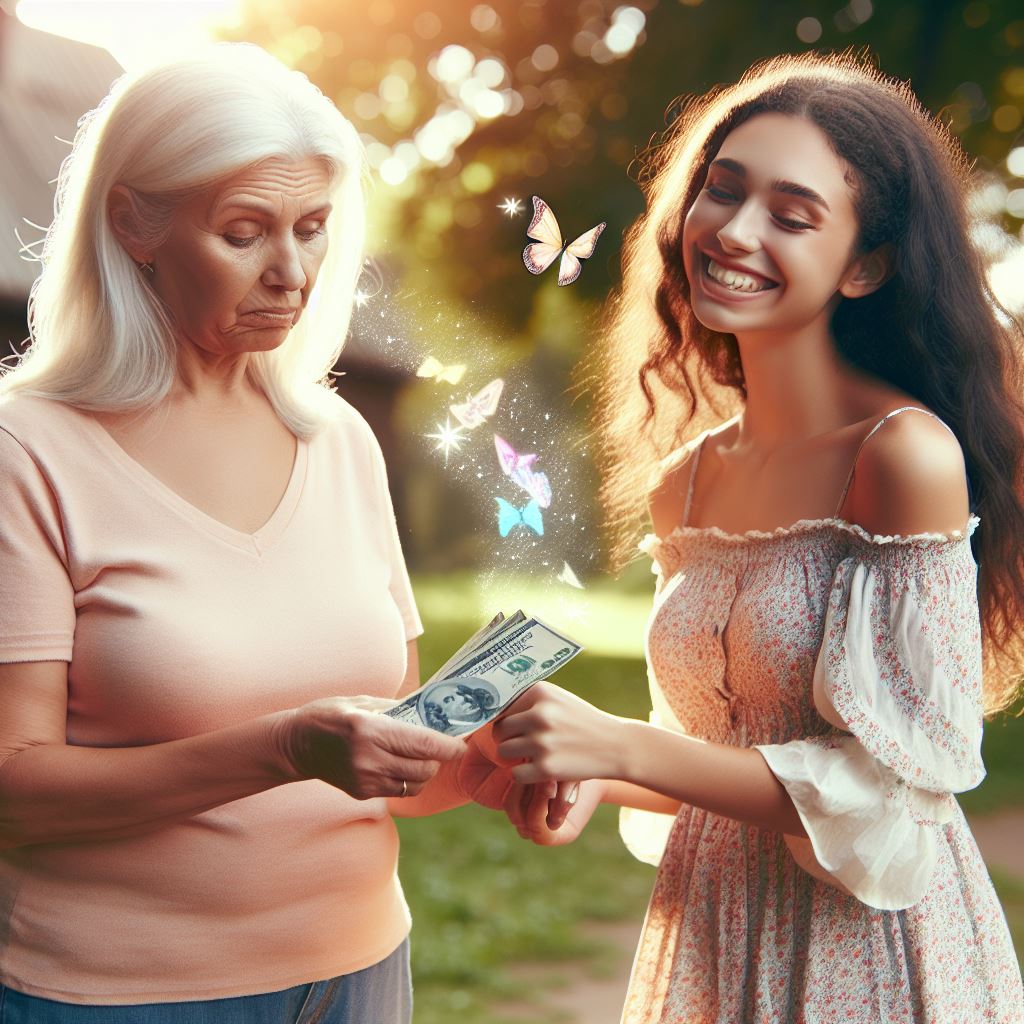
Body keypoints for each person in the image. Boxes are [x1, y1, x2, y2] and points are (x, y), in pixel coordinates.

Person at [494, 51, 1024, 1022]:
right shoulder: (683, 482)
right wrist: (591, 772)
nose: (733, 231)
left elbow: (885, 792)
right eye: (722, 191)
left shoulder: (903, 456)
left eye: (791, 213)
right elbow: (704, 753)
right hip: (709, 935)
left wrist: (618, 747)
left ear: (864, 263)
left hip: (869, 953)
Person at [0, 44, 520, 1022]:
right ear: (134, 223)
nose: (292, 272)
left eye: (314, 228)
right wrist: (279, 750)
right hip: (124, 999)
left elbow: (386, 760)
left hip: (360, 975)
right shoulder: (26, 452)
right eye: (245, 232)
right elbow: (13, 791)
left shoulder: (340, 442)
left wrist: (483, 772)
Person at [422, 680, 498, 735]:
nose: (463, 698)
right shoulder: (453, 740)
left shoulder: (498, 712)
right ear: (440, 715)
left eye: (461, 693)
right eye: (448, 700)